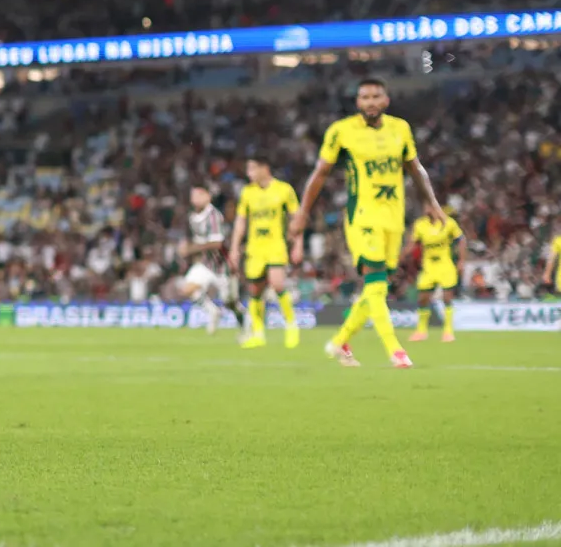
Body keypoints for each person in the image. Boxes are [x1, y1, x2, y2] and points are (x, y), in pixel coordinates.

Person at [291, 77, 447, 369]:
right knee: (375, 280)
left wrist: (432, 202)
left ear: (386, 100)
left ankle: (339, 341)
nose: (371, 102)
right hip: (362, 215)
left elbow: (415, 167)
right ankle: (395, 350)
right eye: (365, 97)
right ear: (357, 102)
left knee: (377, 288)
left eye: (376, 96)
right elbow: (320, 173)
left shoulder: (400, 128)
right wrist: (302, 212)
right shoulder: (342, 131)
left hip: (394, 217)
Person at [228, 158, 301, 349]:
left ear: (264, 168)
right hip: (255, 248)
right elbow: (241, 221)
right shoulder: (247, 192)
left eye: (252, 168)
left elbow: (296, 218)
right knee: (255, 291)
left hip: (275, 245)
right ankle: (258, 334)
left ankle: (292, 326)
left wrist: (298, 245)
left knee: (277, 284)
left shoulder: (284, 190)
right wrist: (235, 247)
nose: (248, 173)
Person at [179, 185, 238, 336]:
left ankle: (246, 324)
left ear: (208, 197)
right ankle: (212, 311)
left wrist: (191, 249)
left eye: (199, 194)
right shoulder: (193, 216)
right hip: (205, 264)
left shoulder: (214, 216)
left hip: (222, 265)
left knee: (230, 302)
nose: (195, 198)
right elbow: (195, 239)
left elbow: (217, 244)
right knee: (187, 289)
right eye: (193, 195)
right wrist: (185, 246)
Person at [405, 210, 464, 343]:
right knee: (422, 298)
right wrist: (400, 257)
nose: (427, 209)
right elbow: (412, 244)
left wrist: (461, 260)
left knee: (447, 297)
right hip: (429, 266)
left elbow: (461, 240)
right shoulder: (420, 224)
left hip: (445, 265)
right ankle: (421, 331)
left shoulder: (448, 222)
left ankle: (448, 331)